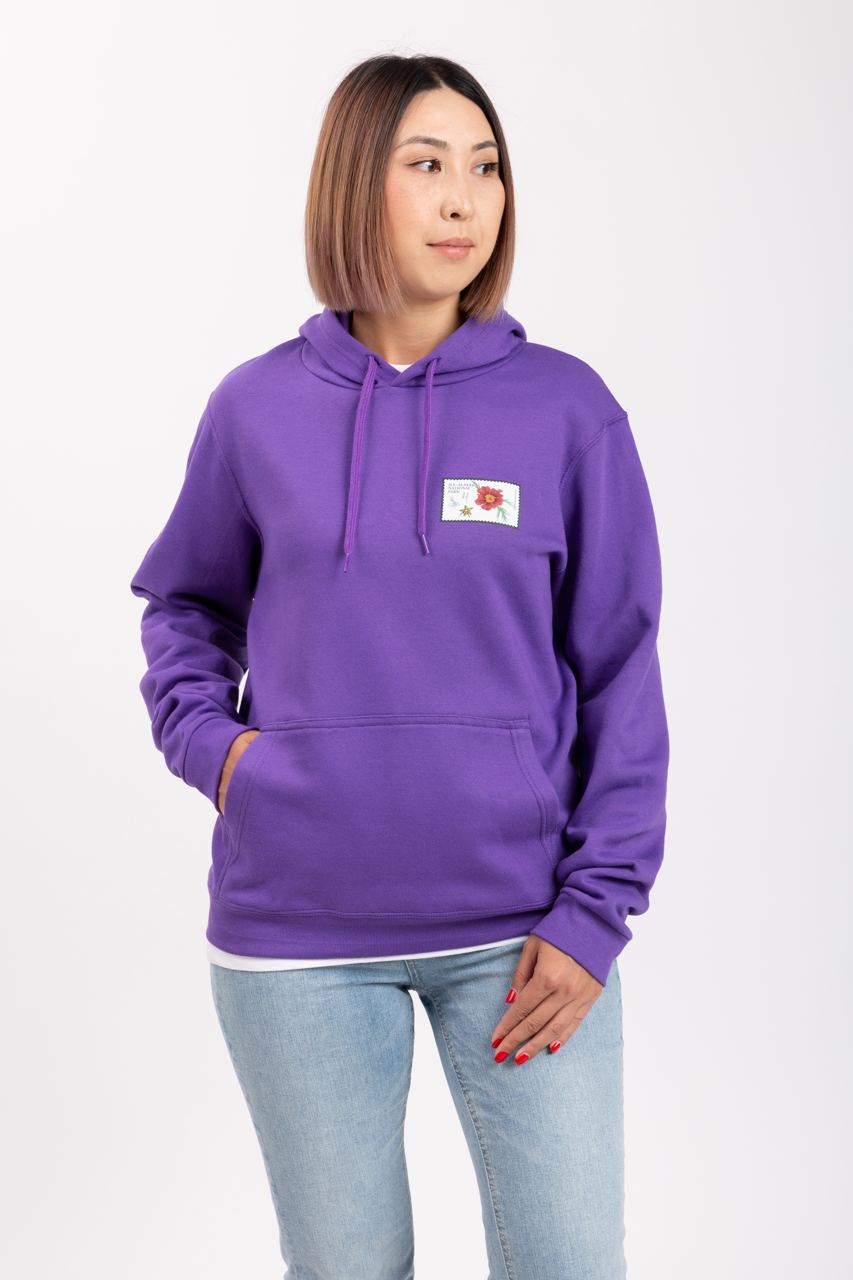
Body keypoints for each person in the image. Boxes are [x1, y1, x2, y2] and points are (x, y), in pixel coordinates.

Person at [130, 52, 669, 1279]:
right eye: (426, 164)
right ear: (351, 184)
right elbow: (185, 605)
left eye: (484, 166)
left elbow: (621, 670)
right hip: (295, 938)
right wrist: (224, 755)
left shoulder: (567, 410)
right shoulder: (254, 408)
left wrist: (595, 914)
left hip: (523, 936)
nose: (462, 197)